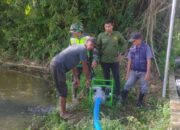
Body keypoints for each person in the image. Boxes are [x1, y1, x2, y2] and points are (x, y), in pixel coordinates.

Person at [50, 37, 96, 119]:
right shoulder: (83, 49)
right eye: (91, 44)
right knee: (63, 90)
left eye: (93, 46)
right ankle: (63, 113)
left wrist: (76, 78)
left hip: (56, 64)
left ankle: (62, 110)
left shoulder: (77, 47)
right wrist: (88, 79)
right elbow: (85, 67)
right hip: (58, 66)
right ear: (86, 42)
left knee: (62, 89)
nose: (92, 47)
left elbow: (73, 65)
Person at [92, 19, 128, 100]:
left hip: (115, 61)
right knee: (106, 77)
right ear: (104, 27)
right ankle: (107, 94)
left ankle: (117, 94)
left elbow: (124, 43)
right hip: (104, 61)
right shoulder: (101, 35)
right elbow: (97, 48)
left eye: (109, 26)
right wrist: (95, 59)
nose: (107, 28)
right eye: (106, 26)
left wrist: (121, 53)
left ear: (112, 26)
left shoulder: (117, 34)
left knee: (116, 77)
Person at [121, 32, 153, 107]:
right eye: (132, 41)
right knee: (127, 84)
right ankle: (122, 100)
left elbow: (149, 60)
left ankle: (139, 102)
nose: (133, 42)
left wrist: (148, 73)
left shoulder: (146, 47)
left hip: (143, 72)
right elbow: (129, 61)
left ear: (139, 39)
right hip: (133, 71)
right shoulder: (132, 48)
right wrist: (127, 73)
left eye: (134, 40)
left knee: (144, 87)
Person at [69, 23, 93, 101]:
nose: (72, 33)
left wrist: (95, 59)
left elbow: (95, 49)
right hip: (76, 63)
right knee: (75, 80)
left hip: (86, 62)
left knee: (89, 79)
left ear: (79, 30)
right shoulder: (72, 39)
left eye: (74, 31)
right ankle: (74, 97)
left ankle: (86, 95)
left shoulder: (87, 38)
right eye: (72, 31)